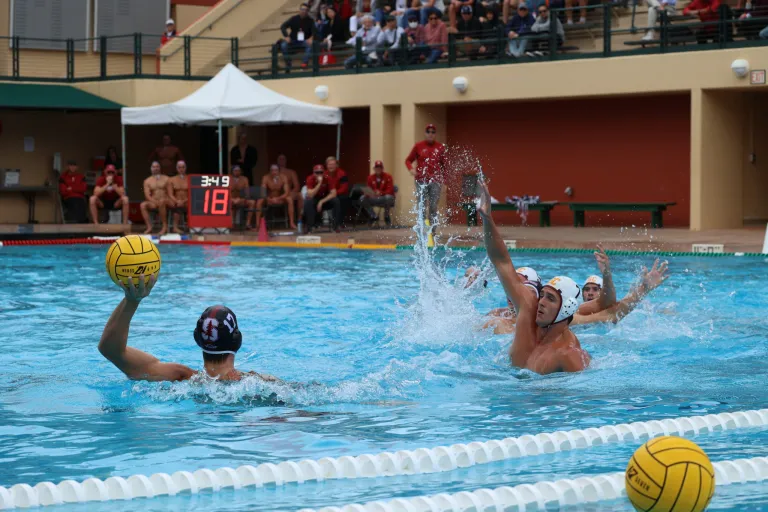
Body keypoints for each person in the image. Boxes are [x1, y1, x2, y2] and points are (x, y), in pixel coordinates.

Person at [477, 182, 589, 374]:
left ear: (566, 308)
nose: (541, 302)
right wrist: (488, 219)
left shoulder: (569, 355)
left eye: (551, 298)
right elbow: (501, 261)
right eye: (543, 294)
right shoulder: (528, 308)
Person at [99, 275, 278, 383]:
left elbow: (110, 349)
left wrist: (132, 300)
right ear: (238, 341)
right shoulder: (258, 382)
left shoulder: (181, 377)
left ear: (197, 338)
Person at [405, 123, 446, 230]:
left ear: (435, 134)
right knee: (422, 206)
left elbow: (444, 166)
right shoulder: (418, 146)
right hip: (421, 181)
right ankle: (422, 231)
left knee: (433, 206)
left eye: (433, 132)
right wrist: (411, 169)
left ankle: (432, 232)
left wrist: (445, 182)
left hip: (435, 181)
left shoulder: (440, 147)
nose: (430, 134)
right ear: (425, 133)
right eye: (428, 132)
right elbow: (408, 160)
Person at [303, 164, 343, 233]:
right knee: (308, 202)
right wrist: (319, 183)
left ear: (324, 172)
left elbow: (334, 193)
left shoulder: (328, 178)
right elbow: (310, 195)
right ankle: (309, 227)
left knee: (336, 201)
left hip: (324, 199)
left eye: (321, 172)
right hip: (314, 198)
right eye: (317, 172)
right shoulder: (310, 178)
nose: (319, 174)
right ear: (313, 173)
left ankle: (335, 226)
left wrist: (321, 201)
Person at [255, 164, 297, 230]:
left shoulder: (283, 177)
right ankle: (257, 225)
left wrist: (278, 198)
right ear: (270, 171)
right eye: (272, 170)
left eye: (276, 170)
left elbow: (287, 192)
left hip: (280, 198)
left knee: (289, 199)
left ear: (279, 171)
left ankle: (291, 223)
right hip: (269, 199)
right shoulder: (265, 178)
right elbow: (263, 192)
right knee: (259, 201)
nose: (274, 172)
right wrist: (269, 199)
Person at [280, 3, 316, 70]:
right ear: (299, 10)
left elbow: (314, 31)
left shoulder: (311, 21)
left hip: (304, 41)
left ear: (308, 11)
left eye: (306, 10)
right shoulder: (293, 18)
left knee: (310, 45)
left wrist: (311, 38)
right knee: (283, 45)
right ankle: (288, 63)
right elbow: (283, 26)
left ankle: (304, 64)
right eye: (302, 9)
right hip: (293, 40)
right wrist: (286, 36)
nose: (304, 11)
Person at [362, 160, 396, 226]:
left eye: (380, 167)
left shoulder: (388, 177)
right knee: (362, 198)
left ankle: (386, 215)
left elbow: (390, 190)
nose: (378, 169)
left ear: (382, 168)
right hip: (374, 198)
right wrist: (369, 193)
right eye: (377, 167)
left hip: (384, 198)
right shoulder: (370, 178)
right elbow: (368, 189)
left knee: (389, 197)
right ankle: (373, 216)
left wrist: (381, 193)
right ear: (374, 169)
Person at [140, 161, 170, 235]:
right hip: (154, 202)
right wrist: (155, 201)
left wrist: (164, 199)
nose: (155, 168)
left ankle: (164, 226)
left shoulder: (167, 178)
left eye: (157, 167)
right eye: (153, 167)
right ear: (151, 169)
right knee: (143, 205)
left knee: (162, 201)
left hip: (165, 201)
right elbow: (147, 195)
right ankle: (149, 227)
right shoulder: (147, 181)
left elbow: (170, 193)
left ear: (160, 168)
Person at [278, 154, 303, 222]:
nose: (281, 161)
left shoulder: (291, 172)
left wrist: (289, 193)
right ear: (277, 161)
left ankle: (299, 219)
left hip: (289, 193)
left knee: (300, 195)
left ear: (286, 161)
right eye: (280, 159)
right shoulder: (274, 172)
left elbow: (297, 187)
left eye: (283, 159)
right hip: (278, 195)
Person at [166, 160, 189, 234]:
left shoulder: (190, 178)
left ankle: (190, 227)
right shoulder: (171, 180)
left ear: (185, 168)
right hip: (176, 201)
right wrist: (177, 201)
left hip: (187, 201)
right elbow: (170, 194)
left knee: (193, 207)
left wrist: (185, 201)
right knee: (175, 206)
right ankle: (175, 227)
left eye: (183, 167)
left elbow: (192, 193)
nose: (181, 169)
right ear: (176, 168)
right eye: (179, 167)